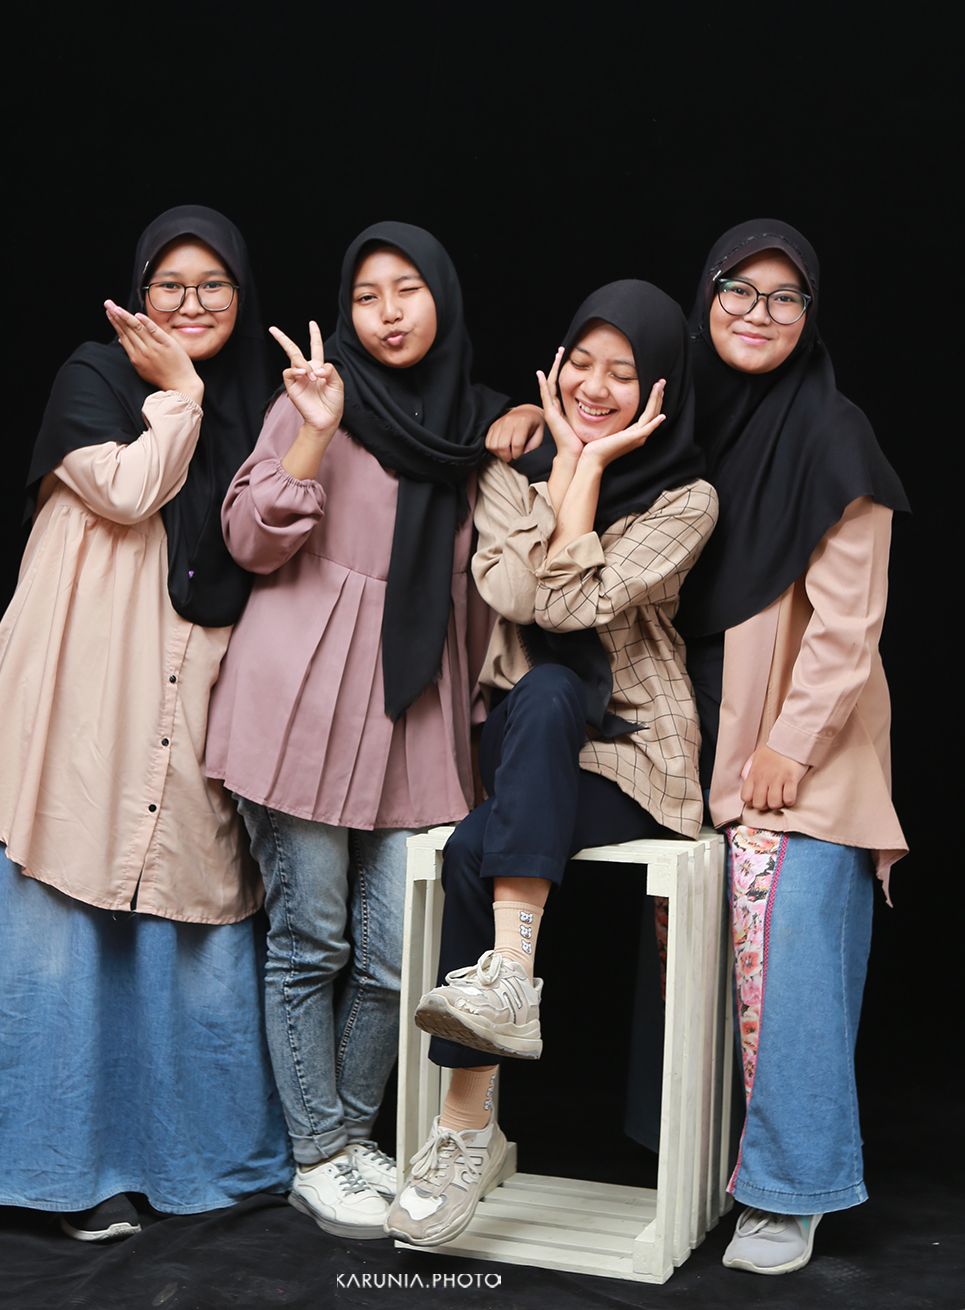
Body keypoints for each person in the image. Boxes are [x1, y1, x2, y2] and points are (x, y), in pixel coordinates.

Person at [0, 206, 293, 1240]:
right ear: (139, 294)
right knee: (59, 914)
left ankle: (196, 1167)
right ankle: (59, 1176)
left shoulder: (261, 410)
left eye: (212, 286)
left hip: (189, 694)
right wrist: (177, 396)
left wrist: (509, 415)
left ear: (242, 295)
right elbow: (131, 491)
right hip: (85, 686)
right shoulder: (94, 374)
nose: (189, 305)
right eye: (168, 285)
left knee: (181, 926)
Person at [204, 222, 540, 1239]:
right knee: (308, 940)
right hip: (300, 699)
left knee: (397, 956)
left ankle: (349, 1138)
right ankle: (320, 1154)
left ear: (443, 296)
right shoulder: (318, 402)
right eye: (366, 295)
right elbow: (250, 539)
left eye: (407, 290)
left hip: (413, 712)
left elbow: (484, 588)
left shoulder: (475, 425)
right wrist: (310, 429)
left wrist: (530, 417)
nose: (387, 313)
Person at [384, 279, 718, 1247]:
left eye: (626, 372)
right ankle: (501, 1019)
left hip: (635, 763)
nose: (598, 385)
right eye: (584, 364)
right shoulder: (506, 469)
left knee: (469, 852)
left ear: (659, 387)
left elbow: (568, 605)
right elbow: (509, 586)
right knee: (539, 694)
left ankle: (466, 1118)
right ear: (558, 362)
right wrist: (562, 464)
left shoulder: (687, 497)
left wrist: (585, 465)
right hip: (536, 746)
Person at [677, 220, 909, 1275]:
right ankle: (693, 1166)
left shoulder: (834, 435)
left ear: (810, 318)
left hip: (804, 750)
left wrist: (789, 747)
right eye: (739, 288)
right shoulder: (689, 419)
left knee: (797, 942)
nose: (758, 313)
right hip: (705, 745)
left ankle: (791, 1189)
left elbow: (851, 628)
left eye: (785, 297)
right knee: (714, 950)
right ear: (707, 296)